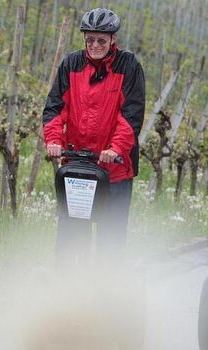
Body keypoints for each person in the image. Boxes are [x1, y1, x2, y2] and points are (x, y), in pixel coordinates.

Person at [43, 8, 145, 265]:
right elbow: (55, 107)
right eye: (90, 39)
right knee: (69, 234)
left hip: (114, 169)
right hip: (77, 165)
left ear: (113, 39)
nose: (95, 45)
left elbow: (131, 115)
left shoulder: (128, 66)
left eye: (101, 40)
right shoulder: (71, 64)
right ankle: (63, 288)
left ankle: (105, 292)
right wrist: (54, 140)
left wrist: (116, 149)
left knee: (110, 241)